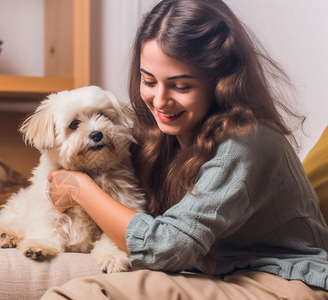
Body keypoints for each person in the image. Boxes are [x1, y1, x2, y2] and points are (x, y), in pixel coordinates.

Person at [42, 0, 328, 298]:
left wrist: (80, 189)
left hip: (284, 280)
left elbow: (167, 246)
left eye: (180, 86)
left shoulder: (246, 141)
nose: (160, 101)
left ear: (220, 82)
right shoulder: (162, 133)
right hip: (219, 273)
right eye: (149, 81)